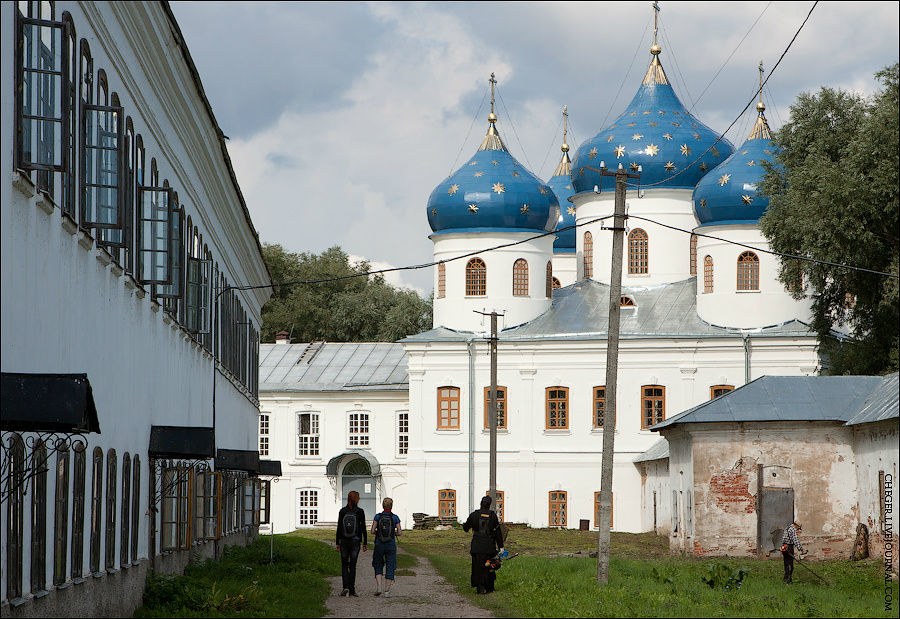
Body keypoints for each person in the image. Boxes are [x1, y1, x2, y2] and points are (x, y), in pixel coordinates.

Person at [462, 495, 504, 594]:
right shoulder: (493, 516)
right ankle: (489, 587)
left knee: (477, 567)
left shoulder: (474, 515)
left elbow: (465, 528)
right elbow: (498, 533)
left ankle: (480, 587)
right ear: (489, 505)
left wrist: (471, 526)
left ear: (481, 504)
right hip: (489, 546)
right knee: (490, 566)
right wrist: (501, 546)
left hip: (477, 546)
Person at [335, 490, 367, 597]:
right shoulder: (360, 511)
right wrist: (365, 542)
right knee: (352, 565)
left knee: (344, 564)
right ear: (357, 499)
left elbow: (339, 527)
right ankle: (352, 590)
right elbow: (363, 528)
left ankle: (345, 587)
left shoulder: (342, 511)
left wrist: (337, 542)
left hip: (344, 540)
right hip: (355, 540)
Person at [371, 497, 402, 598]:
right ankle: (387, 591)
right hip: (390, 544)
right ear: (391, 506)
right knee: (390, 565)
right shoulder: (395, 517)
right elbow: (400, 532)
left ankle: (379, 586)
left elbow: (372, 531)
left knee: (378, 564)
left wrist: (378, 533)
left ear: (383, 506)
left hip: (379, 544)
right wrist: (393, 533)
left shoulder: (377, 517)